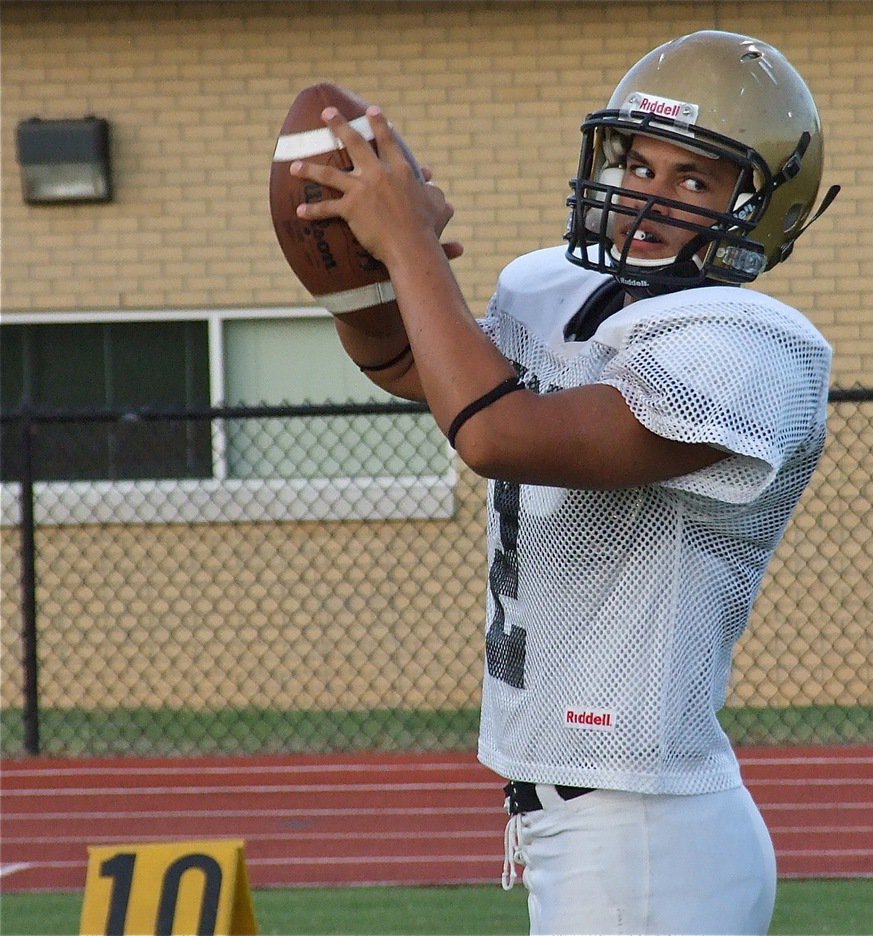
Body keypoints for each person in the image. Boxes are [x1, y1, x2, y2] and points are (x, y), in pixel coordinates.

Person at [291, 29, 837, 936]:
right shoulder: (555, 286)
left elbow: (499, 433)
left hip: (645, 828)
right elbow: (414, 370)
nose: (648, 197)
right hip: (582, 819)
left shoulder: (751, 345)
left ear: (760, 209)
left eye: (694, 179)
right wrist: (366, 280)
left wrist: (414, 245)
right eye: (638, 164)